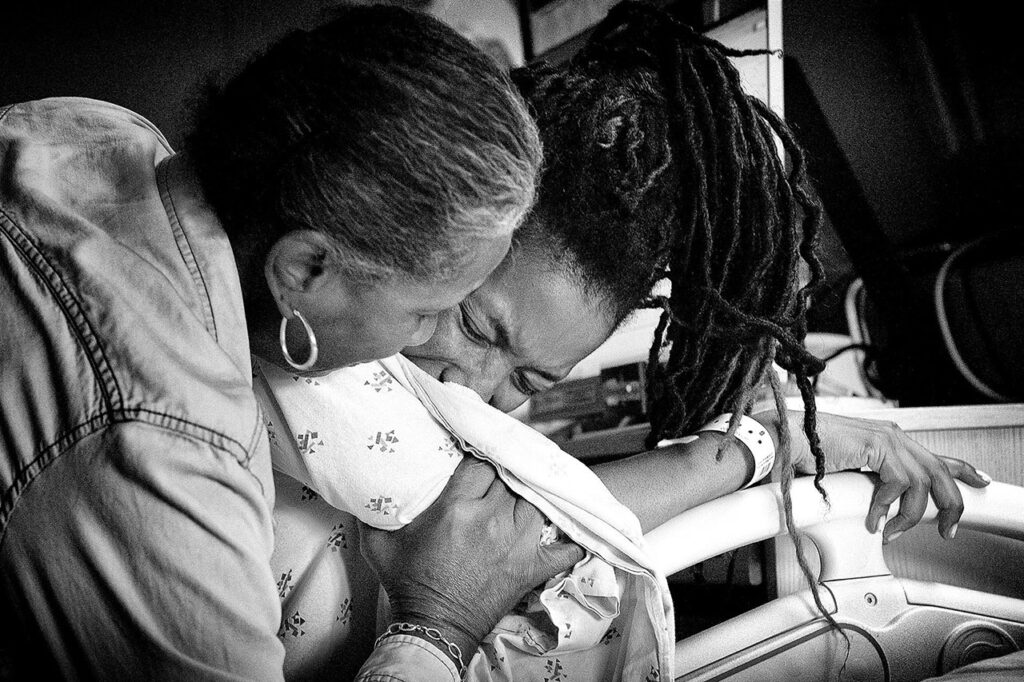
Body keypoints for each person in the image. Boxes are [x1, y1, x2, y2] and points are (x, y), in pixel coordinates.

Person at [266, 2, 991, 679]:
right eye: (473, 324)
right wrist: (768, 444)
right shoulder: (325, 345)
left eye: (527, 382)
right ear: (436, 253)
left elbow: (537, 494)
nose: (474, 390)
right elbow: (537, 510)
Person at [0, 6, 584, 680]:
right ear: (305, 271)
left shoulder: (97, 130)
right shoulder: (163, 451)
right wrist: (440, 625)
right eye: (428, 313)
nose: (428, 347)